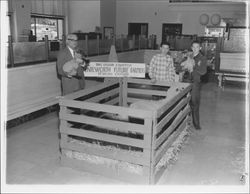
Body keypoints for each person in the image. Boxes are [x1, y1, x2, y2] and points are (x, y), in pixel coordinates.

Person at [188, 41, 207, 130]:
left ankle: (196, 124)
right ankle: (182, 123)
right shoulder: (188, 56)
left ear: (200, 48)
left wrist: (193, 66)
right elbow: (179, 67)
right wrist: (184, 65)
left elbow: (203, 71)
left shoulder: (202, 58)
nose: (195, 49)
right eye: (194, 47)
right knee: (183, 103)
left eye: (197, 47)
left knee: (194, 103)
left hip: (195, 83)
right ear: (191, 48)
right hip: (185, 82)